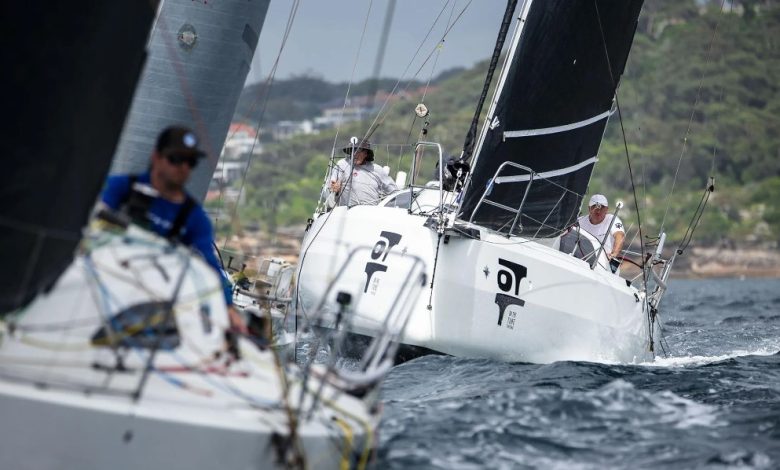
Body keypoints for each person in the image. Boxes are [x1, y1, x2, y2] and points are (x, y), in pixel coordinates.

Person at [100, 125, 247, 333]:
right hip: (102, 278)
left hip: (147, 299)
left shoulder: (194, 218)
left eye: (191, 162)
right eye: (176, 159)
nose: (183, 167)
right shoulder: (121, 188)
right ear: (156, 157)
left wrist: (228, 306)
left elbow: (210, 265)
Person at [329, 139, 398, 207]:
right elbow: (329, 186)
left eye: (359, 151)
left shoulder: (377, 169)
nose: (355, 154)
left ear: (366, 154)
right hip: (348, 212)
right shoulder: (342, 164)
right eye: (353, 150)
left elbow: (394, 192)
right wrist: (334, 188)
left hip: (371, 211)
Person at [577, 194, 625, 272]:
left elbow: (620, 236)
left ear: (607, 209)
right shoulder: (580, 221)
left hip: (604, 267)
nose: (598, 211)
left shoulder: (612, 219)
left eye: (602, 207)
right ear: (589, 209)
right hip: (581, 262)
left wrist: (614, 253)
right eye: (595, 207)